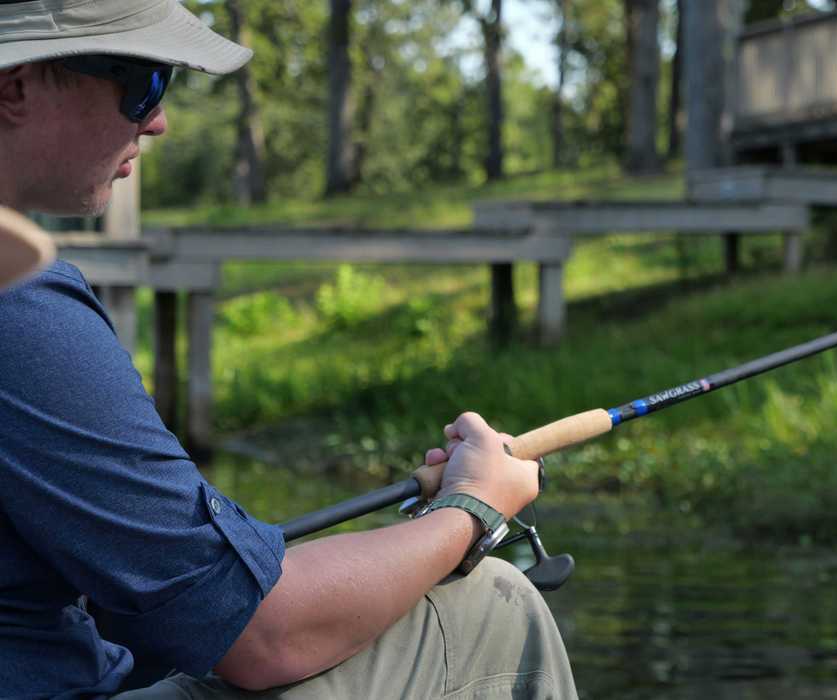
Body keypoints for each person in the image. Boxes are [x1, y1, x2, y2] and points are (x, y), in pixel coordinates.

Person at [0, 1, 578, 698]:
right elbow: (266, 638)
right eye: (143, 82)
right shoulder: (20, 307)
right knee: (488, 607)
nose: (158, 120)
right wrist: (474, 506)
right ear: (16, 85)